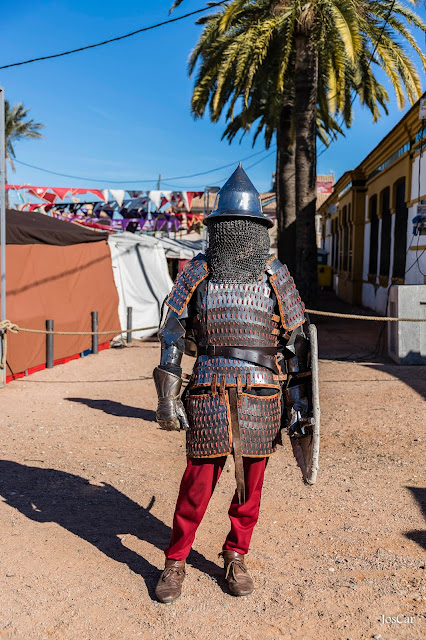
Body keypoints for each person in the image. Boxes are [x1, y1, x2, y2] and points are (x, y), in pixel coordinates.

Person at [152, 164, 312, 603]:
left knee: (250, 487)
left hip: (262, 393)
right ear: (218, 227)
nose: (236, 231)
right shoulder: (196, 272)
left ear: (256, 229)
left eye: (243, 224)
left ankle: (235, 554)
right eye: (230, 223)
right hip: (208, 388)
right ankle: (176, 559)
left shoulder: (276, 274)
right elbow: (171, 334)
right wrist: (167, 398)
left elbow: (298, 346)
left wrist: (301, 406)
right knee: (197, 484)